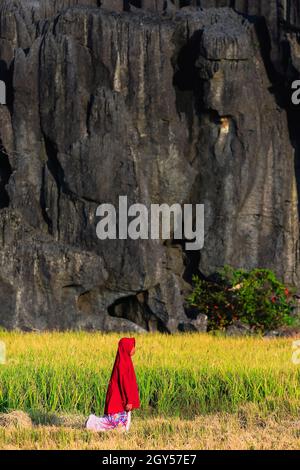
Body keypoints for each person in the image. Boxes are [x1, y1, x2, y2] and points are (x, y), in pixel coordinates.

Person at [85, 337, 140, 432]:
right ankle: (91, 422)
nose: (134, 349)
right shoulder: (122, 364)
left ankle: (123, 430)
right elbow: (125, 384)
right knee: (114, 420)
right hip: (118, 398)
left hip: (121, 397)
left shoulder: (125, 361)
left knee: (121, 420)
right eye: (132, 347)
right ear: (126, 348)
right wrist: (129, 400)